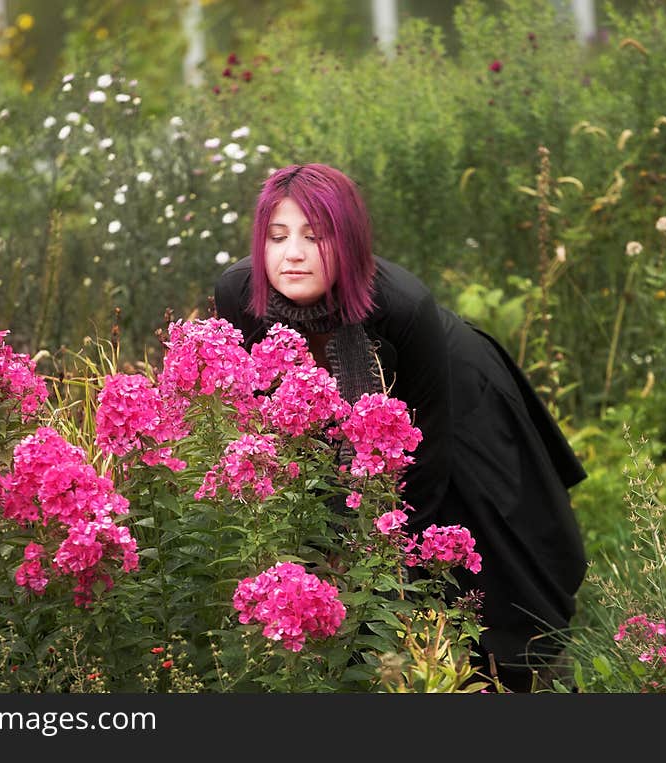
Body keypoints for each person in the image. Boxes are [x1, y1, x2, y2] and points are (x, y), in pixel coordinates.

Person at [213, 163, 588, 692]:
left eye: (313, 237)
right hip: (342, 410)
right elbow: (256, 410)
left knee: (488, 550)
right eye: (276, 237)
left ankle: (525, 678)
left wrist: (380, 544)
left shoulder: (403, 305)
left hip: (453, 399)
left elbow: (429, 450)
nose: (291, 253)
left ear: (348, 242)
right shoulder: (237, 294)